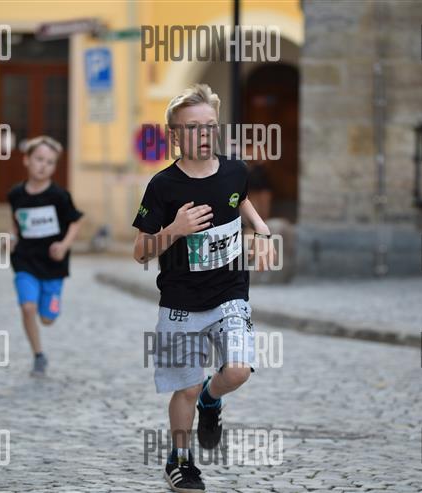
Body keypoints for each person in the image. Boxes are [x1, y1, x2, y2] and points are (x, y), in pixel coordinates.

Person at [132, 84, 276, 492]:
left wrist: (261, 231)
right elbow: (140, 252)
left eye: (210, 125)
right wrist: (175, 230)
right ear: (175, 135)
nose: (204, 134)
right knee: (187, 386)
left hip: (230, 291)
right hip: (181, 300)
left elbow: (240, 199)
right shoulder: (163, 186)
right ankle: (180, 461)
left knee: (238, 370)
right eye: (192, 127)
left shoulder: (235, 170)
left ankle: (212, 399)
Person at [7, 136, 83, 377]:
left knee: (48, 318)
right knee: (27, 307)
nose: (43, 166)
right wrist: (12, 237)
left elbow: (76, 222)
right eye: (39, 159)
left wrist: (64, 245)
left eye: (50, 162)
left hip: (53, 265)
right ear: (27, 160)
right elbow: (15, 221)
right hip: (25, 260)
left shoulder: (59, 196)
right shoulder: (15, 194)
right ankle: (38, 355)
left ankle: (52, 302)